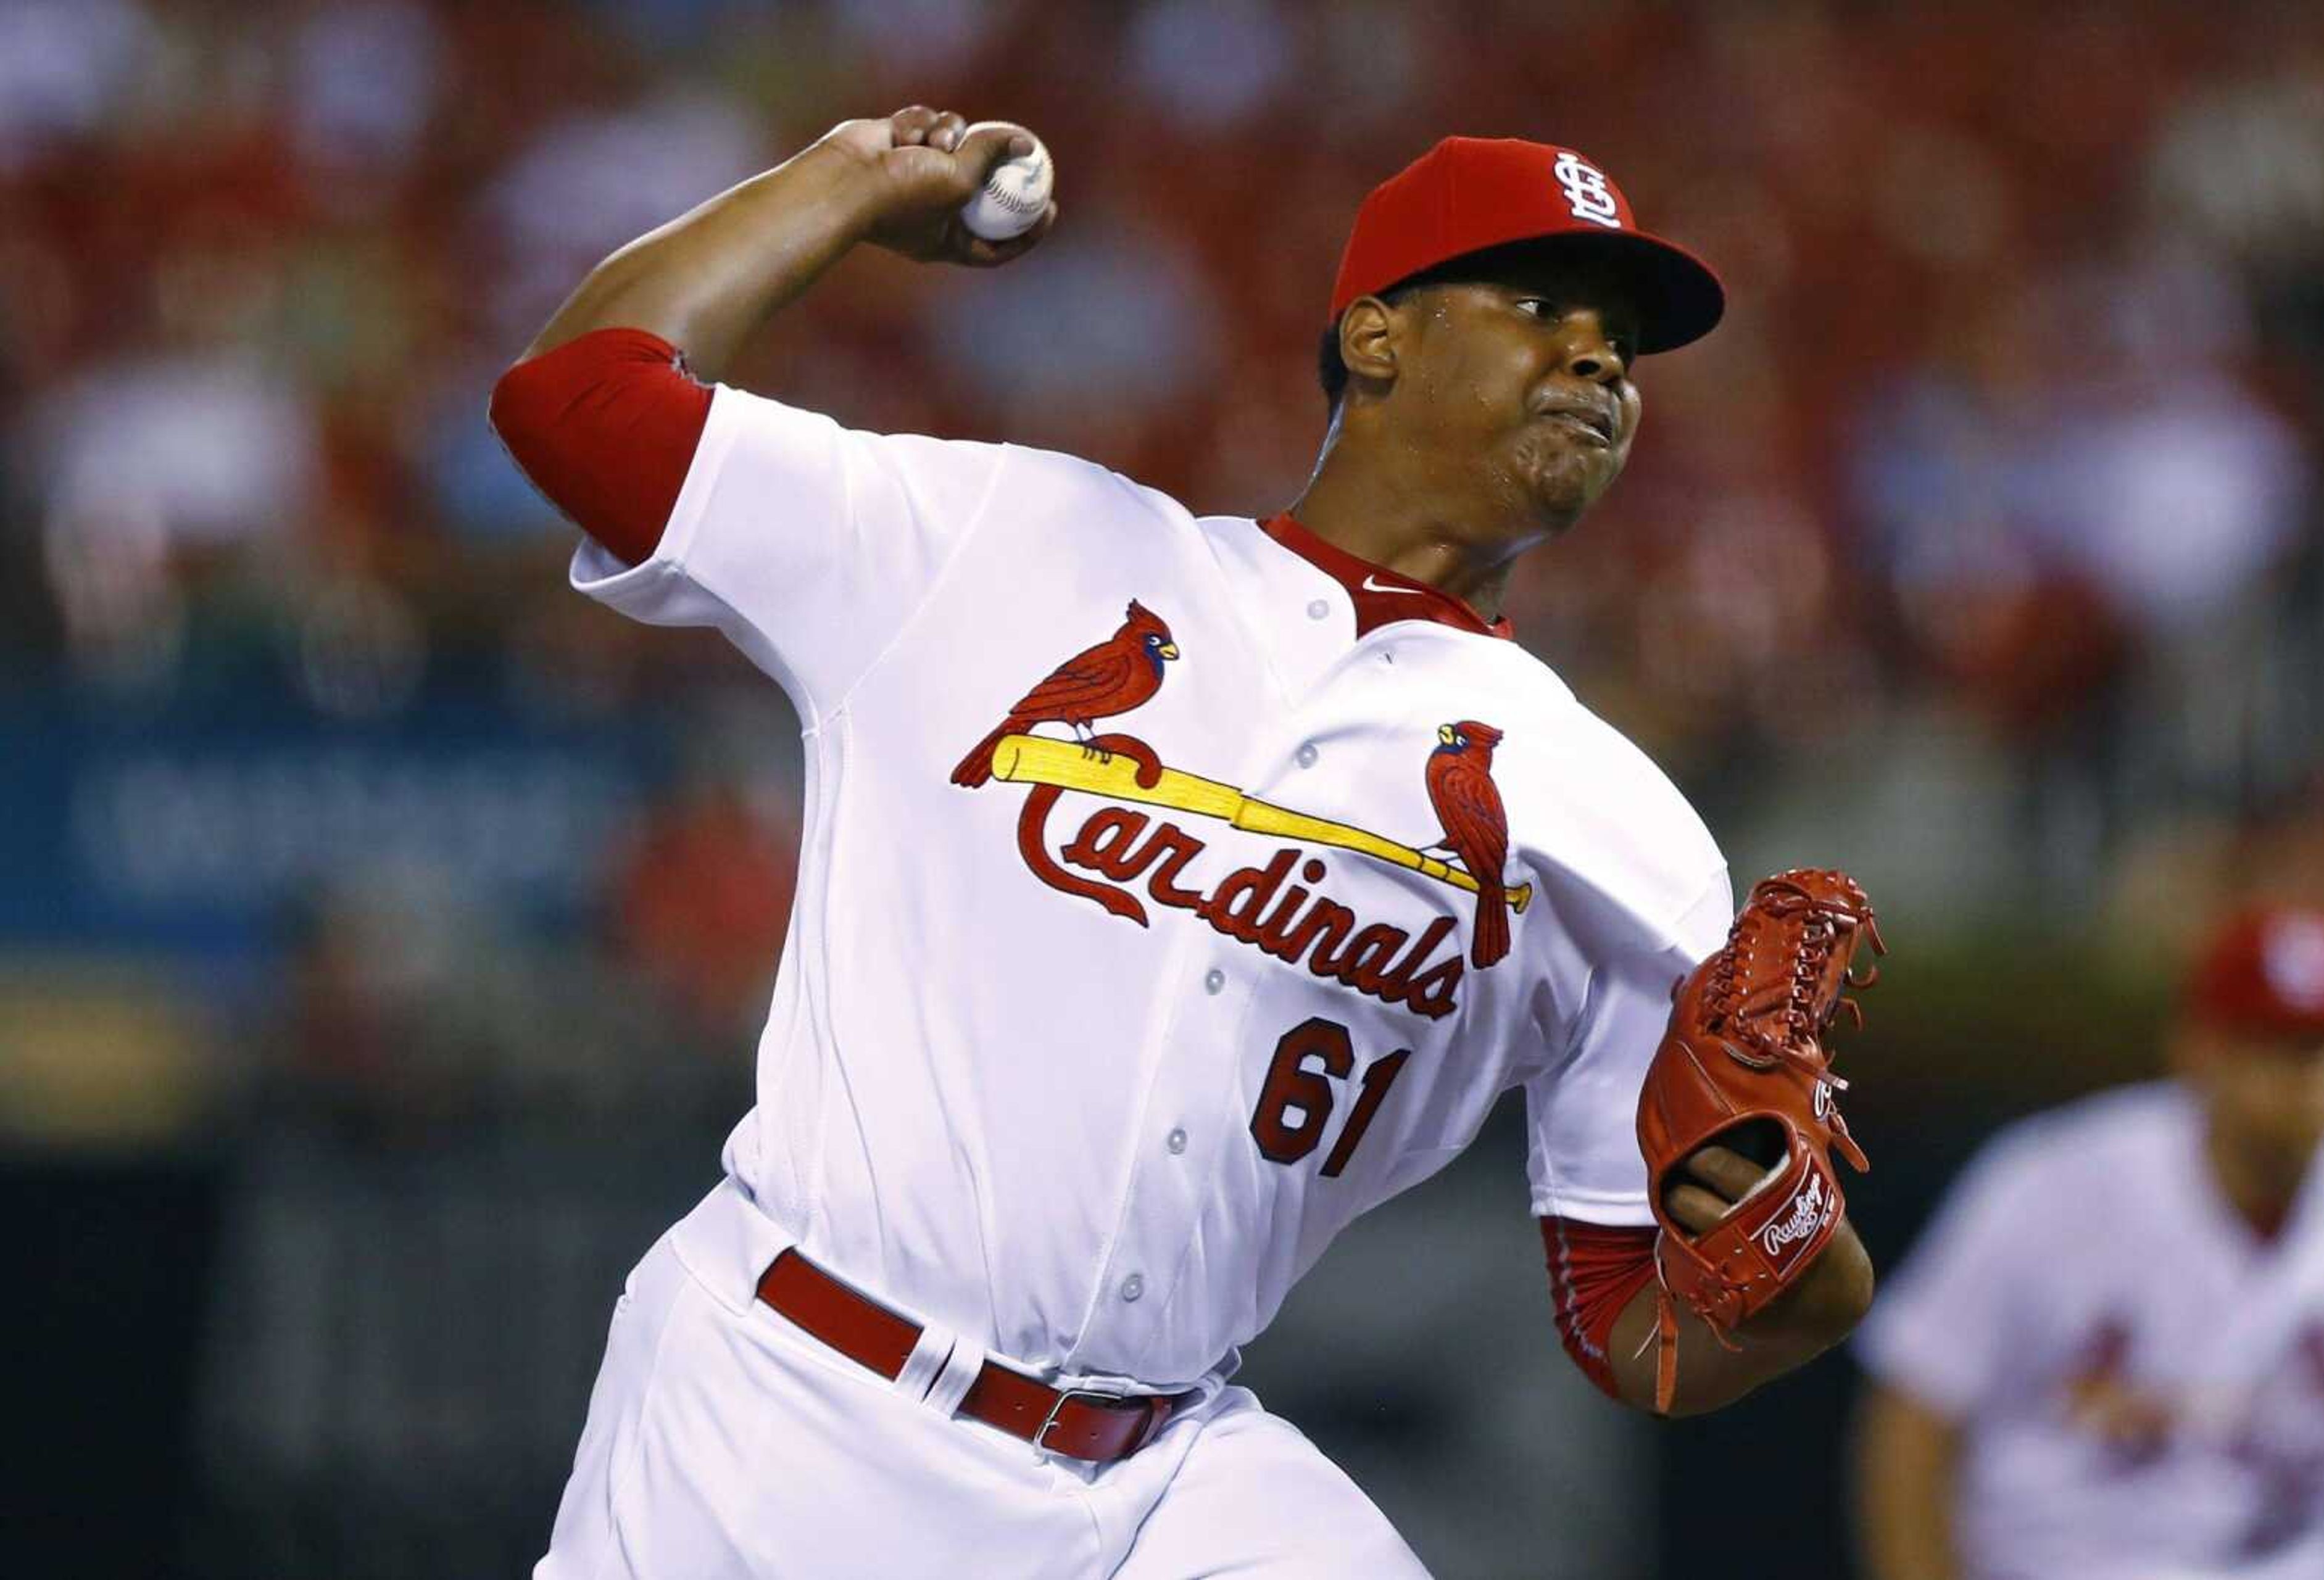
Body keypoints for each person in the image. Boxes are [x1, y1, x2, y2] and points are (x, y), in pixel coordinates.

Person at [492, 105, 1874, 1578]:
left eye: (1620, 339)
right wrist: (839, 186)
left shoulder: (1616, 824)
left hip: (1159, 1476)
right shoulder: (1007, 540)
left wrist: (1807, 1283)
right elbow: (574, 401)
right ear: (1377, 337)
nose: (1598, 357)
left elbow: (1629, 1325)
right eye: (1539, 305)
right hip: (782, 1404)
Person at [1853, 903, 2324, 1580]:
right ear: (2199, 1046)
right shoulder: (2055, 1181)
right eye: (2271, 1044)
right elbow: (1913, 1421)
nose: (2308, 1079)